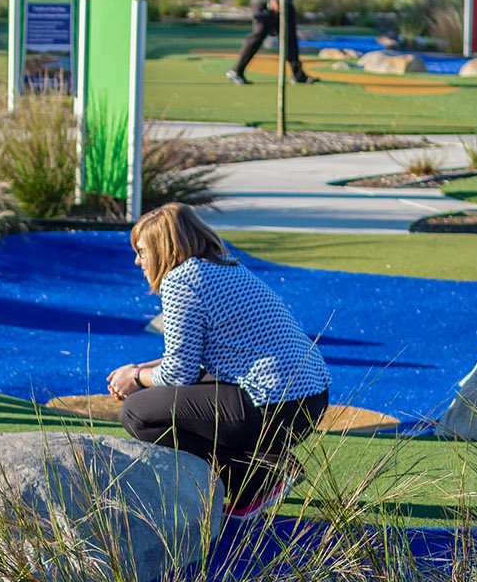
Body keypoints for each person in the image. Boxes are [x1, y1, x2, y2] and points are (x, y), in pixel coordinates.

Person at [106, 203, 331, 518]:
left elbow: (178, 374)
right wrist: (140, 370)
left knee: (137, 413)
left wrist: (136, 380)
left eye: (143, 251)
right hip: (309, 401)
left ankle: (255, 480)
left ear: (163, 248)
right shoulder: (224, 267)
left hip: (273, 407)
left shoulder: (180, 280)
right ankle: (270, 460)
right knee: (176, 392)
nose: (138, 260)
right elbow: (189, 357)